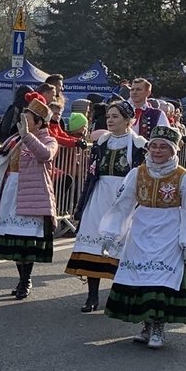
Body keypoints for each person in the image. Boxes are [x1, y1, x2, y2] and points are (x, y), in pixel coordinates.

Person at [99, 125, 186, 348]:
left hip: (169, 231)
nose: (157, 151)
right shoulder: (137, 173)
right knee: (141, 279)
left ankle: (158, 326)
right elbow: (123, 204)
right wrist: (111, 233)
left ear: (173, 151)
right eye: (154, 146)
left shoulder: (184, 178)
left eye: (163, 147)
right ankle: (146, 325)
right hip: (142, 229)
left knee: (162, 280)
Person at [64, 99, 141, 312]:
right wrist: (82, 204)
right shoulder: (102, 143)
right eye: (108, 116)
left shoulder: (138, 145)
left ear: (128, 120)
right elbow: (92, 174)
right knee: (93, 240)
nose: (110, 120)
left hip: (124, 198)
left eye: (115, 116)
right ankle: (92, 296)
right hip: (99, 196)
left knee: (122, 245)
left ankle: (119, 295)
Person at [0, 92, 59, 300]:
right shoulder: (14, 139)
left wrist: (28, 136)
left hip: (32, 194)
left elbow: (45, 155)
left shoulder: (49, 140)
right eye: (23, 119)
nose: (23, 123)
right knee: (14, 240)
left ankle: (26, 279)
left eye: (28, 119)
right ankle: (21, 278)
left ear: (39, 122)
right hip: (12, 190)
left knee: (27, 241)